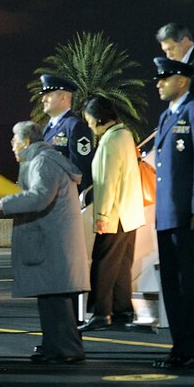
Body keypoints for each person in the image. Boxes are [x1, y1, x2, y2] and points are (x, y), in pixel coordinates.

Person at [0, 121, 90, 364]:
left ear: (26, 141)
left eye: (14, 140)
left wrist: (7, 202)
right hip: (50, 240)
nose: (11, 145)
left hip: (51, 241)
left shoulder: (42, 161)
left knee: (56, 300)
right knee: (49, 298)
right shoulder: (41, 160)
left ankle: (67, 350)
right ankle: (53, 347)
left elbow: (39, 196)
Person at [151, 57, 194, 369]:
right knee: (172, 285)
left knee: (190, 284)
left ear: (182, 79)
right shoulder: (167, 116)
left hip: (188, 214)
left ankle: (193, 350)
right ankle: (179, 348)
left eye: (164, 78)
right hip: (167, 215)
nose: (159, 83)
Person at [78, 97, 145, 331]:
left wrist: (102, 217)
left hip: (114, 216)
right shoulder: (125, 135)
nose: (88, 126)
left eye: (88, 121)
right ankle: (122, 311)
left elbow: (106, 182)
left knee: (103, 265)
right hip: (130, 214)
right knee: (121, 265)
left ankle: (100, 313)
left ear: (98, 118)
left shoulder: (109, 141)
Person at [39, 75, 93, 197]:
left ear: (63, 97)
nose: (43, 100)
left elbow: (81, 168)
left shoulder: (75, 126)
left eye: (48, 95)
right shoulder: (47, 129)